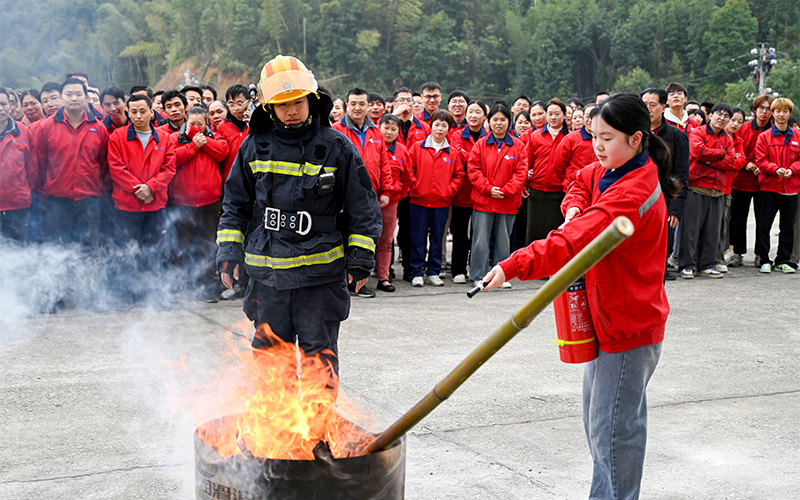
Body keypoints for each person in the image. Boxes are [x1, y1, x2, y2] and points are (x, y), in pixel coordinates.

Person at [482, 92, 677, 500]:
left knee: (613, 433)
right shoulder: (613, 170)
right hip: (608, 317)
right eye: (593, 137)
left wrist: (511, 265)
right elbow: (580, 180)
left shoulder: (631, 193)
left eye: (607, 138)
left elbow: (570, 244)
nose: (598, 147)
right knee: (600, 425)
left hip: (627, 328)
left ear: (637, 139)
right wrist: (574, 205)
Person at [216, 55, 382, 382]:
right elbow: (234, 204)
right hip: (267, 275)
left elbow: (363, 206)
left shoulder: (337, 147)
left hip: (320, 276)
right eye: (282, 104)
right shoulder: (253, 146)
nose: (292, 110)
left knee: (319, 360)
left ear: (312, 99)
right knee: (272, 362)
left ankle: (318, 430)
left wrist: (361, 258)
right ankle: (277, 432)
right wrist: (228, 252)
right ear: (269, 109)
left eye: (298, 101)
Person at [107, 94, 177, 304]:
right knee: (125, 252)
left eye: (142, 111)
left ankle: (149, 295)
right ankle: (124, 295)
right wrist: (139, 189)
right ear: (128, 112)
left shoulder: (164, 139)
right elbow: (116, 168)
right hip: (127, 206)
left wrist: (151, 187)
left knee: (153, 252)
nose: (138, 115)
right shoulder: (117, 137)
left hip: (155, 205)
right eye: (134, 111)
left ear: (152, 112)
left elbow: (169, 169)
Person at [30, 78, 109, 247]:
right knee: (57, 248)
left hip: (90, 201)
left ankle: (89, 274)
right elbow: (39, 163)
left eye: (79, 94)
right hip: (57, 201)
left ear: (86, 97)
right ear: (61, 97)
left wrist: (97, 189)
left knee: (89, 246)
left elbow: (104, 164)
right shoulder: (46, 127)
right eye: (69, 94)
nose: (74, 98)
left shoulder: (98, 127)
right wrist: (46, 190)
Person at [333, 87, 394, 298]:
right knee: (343, 240)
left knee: (364, 239)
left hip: (370, 196)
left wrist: (386, 190)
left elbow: (384, 164)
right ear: (346, 105)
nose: (357, 108)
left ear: (368, 106)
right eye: (353, 104)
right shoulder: (336, 130)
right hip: (343, 197)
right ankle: (342, 282)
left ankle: (359, 282)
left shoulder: (376, 132)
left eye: (362, 104)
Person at [167, 106, 230, 300]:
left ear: (207, 124)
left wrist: (203, 142)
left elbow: (222, 153)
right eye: (192, 124)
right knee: (179, 247)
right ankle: (177, 287)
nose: (195, 128)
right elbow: (172, 160)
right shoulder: (173, 139)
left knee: (207, 246)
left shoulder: (214, 138)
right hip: (181, 203)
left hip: (209, 203)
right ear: (186, 122)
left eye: (200, 125)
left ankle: (206, 286)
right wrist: (194, 144)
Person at [467, 104, 528, 288]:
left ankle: (502, 275)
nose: (499, 123)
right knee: (480, 241)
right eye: (495, 119)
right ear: (489, 122)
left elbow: (521, 173)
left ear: (509, 122)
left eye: (503, 119)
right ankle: (479, 274)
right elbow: (473, 169)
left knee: (504, 240)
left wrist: (506, 190)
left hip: (507, 201)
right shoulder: (481, 144)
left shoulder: (518, 146)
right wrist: (488, 188)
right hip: (484, 200)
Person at [407, 110, 463, 286]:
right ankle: (417, 271)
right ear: (430, 126)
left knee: (438, 238)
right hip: (419, 201)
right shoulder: (417, 147)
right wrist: (416, 186)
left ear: (449, 128)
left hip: (442, 203)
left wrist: (449, 190)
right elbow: (409, 170)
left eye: (444, 125)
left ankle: (433, 272)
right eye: (436, 124)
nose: (440, 128)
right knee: (418, 237)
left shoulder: (453, 152)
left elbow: (459, 175)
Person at [679, 103, 734, 279]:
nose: (722, 118)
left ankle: (706, 265)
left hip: (718, 190)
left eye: (726, 115)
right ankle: (687, 265)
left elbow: (731, 161)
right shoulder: (698, 132)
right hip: (697, 187)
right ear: (710, 115)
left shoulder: (728, 139)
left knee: (713, 230)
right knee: (691, 230)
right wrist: (721, 153)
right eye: (719, 113)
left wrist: (710, 160)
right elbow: (697, 151)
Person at [640, 88, 689, 280]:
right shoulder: (634, 134)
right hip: (637, 196)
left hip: (664, 197)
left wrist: (676, 208)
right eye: (644, 105)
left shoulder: (677, 136)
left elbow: (681, 173)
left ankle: (659, 272)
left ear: (663, 107)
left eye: (653, 105)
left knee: (662, 241)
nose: (649, 110)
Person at [754, 97, 799, 274]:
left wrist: (792, 170)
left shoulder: (797, 136)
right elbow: (761, 160)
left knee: (787, 226)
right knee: (764, 225)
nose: (781, 114)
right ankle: (764, 259)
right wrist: (776, 169)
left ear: (790, 114)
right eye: (778, 111)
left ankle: (782, 260)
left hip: (791, 188)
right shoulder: (764, 137)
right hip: (769, 187)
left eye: (785, 111)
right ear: (773, 113)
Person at [729, 95, 773, 267]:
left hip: (765, 183)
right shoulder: (743, 128)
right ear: (754, 110)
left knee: (764, 220)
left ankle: (761, 254)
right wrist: (746, 164)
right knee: (738, 219)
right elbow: (735, 150)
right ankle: (737, 252)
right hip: (740, 180)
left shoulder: (773, 131)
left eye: (768, 108)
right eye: (761, 108)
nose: (764, 112)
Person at [450, 100, 488, 283]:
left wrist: (474, 157)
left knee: (479, 235)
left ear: (484, 117)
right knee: (460, 233)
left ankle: (476, 270)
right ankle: (458, 269)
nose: (473, 115)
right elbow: (458, 156)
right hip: (461, 192)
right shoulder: (457, 136)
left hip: (482, 193)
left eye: (477, 112)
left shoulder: (489, 136)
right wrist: (480, 156)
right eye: (470, 112)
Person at [376, 113, 413, 292]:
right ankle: (358, 278)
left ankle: (383, 278)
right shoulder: (371, 147)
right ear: (378, 127)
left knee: (386, 241)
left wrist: (397, 195)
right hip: (368, 202)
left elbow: (408, 178)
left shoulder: (402, 151)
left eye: (394, 129)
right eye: (386, 128)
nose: (389, 132)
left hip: (391, 203)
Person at [525, 98, 569, 245]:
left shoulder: (569, 137)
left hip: (559, 193)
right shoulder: (536, 136)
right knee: (534, 232)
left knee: (554, 235)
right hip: (536, 191)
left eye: (557, 114)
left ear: (564, 115)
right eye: (550, 114)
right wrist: (524, 184)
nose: (553, 117)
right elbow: (526, 161)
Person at [0, 88, 33, 242]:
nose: (0, 108)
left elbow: (33, 167)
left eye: (3, 103)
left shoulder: (23, 132)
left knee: (18, 254)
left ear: (10, 106)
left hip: (17, 206)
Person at [553, 103, 597, 192]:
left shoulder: (607, 138)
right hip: (575, 188)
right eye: (588, 116)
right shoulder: (571, 139)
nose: (590, 120)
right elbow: (558, 165)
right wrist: (570, 178)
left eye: (595, 116)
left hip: (598, 187)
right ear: (583, 118)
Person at [217, 85, 251, 182]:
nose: (235, 108)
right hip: (229, 176)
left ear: (249, 102)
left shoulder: (255, 124)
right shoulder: (222, 126)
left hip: (251, 175)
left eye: (240, 103)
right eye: (231, 104)